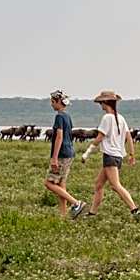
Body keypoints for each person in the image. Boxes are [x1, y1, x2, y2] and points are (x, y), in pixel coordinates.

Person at [81, 90, 140, 220]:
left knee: (116, 185)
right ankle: (92, 213)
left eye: (101, 103)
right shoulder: (121, 118)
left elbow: (99, 138)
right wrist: (132, 154)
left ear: (105, 102)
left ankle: (135, 210)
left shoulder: (107, 118)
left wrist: (87, 153)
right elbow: (129, 137)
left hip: (110, 156)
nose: (101, 106)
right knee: (98, 184)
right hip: (118, 156)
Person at [45, 90, 86, 218]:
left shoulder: (59, 117)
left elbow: (59, 137)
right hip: (70, 152)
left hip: (62, 154)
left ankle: (76, 203)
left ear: (58, 102)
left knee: (49, 183)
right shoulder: (67, 116)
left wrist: (54, 158)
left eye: (52, 102)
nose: (51, 104)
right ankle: (63, 215)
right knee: (61, 184)